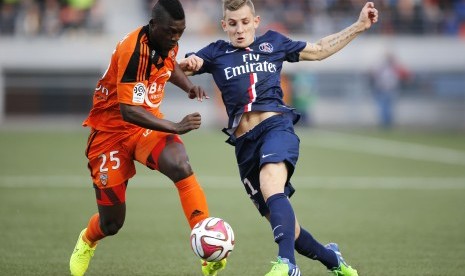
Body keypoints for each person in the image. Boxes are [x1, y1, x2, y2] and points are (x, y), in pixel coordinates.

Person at [180, 0, 378, 275]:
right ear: (224, 25)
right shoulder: (215, 52)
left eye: (245, 22)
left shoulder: (273, 43)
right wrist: (186, 63)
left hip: (276, 127)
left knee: (271, 184)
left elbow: (319, 50)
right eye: (233, 24)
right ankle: (333, 259)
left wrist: (358, 26)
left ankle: (287, 265)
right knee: (289, 228)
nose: (240, 30)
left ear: (256, 21)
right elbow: (181, 69)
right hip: (244, 146)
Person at [68, 1, 227, 275]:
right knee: (112, 224)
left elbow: (168, 65)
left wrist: (188, 86)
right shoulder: (133, 51)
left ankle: (206, 248)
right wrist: (174, 126)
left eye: (181, 32)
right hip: (111, 134)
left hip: (145, 125)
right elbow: (128, 111)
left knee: (180, 165)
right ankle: (87, 240)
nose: (176, 38)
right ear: (153, 26)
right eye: (171, 32)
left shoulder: (166, 39)